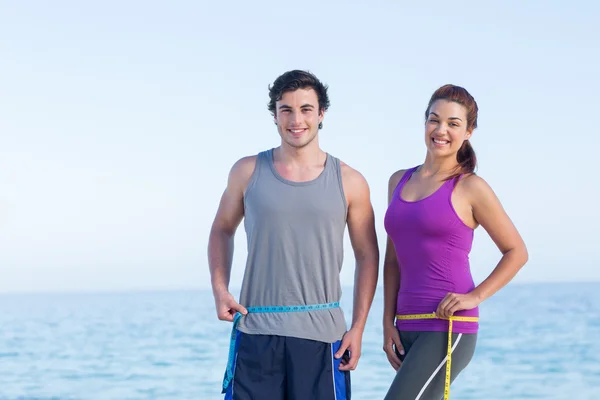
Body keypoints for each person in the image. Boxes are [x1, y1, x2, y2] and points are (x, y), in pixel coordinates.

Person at [208, 70, 379, 400]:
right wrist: (220, 288)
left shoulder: (350, 181)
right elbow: (222, 229)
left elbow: (368, 255)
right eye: (286, 109)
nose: (296, 119)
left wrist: (358, 327)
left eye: (305, 109)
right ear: (274, 115)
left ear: (321, 114)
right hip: (256, 333)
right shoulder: (247, 171)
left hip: (323, 337)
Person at [382, 84, 528, 399]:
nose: (441, 130)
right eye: (434, 120)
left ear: (468, 132)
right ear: (424, 123)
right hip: (405, 322)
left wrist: (475, 297)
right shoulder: (398, 181)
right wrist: (386, 322)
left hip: (448, 327)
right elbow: (392, 260)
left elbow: (516, 251)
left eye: (453, 123)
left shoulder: (471, 187)